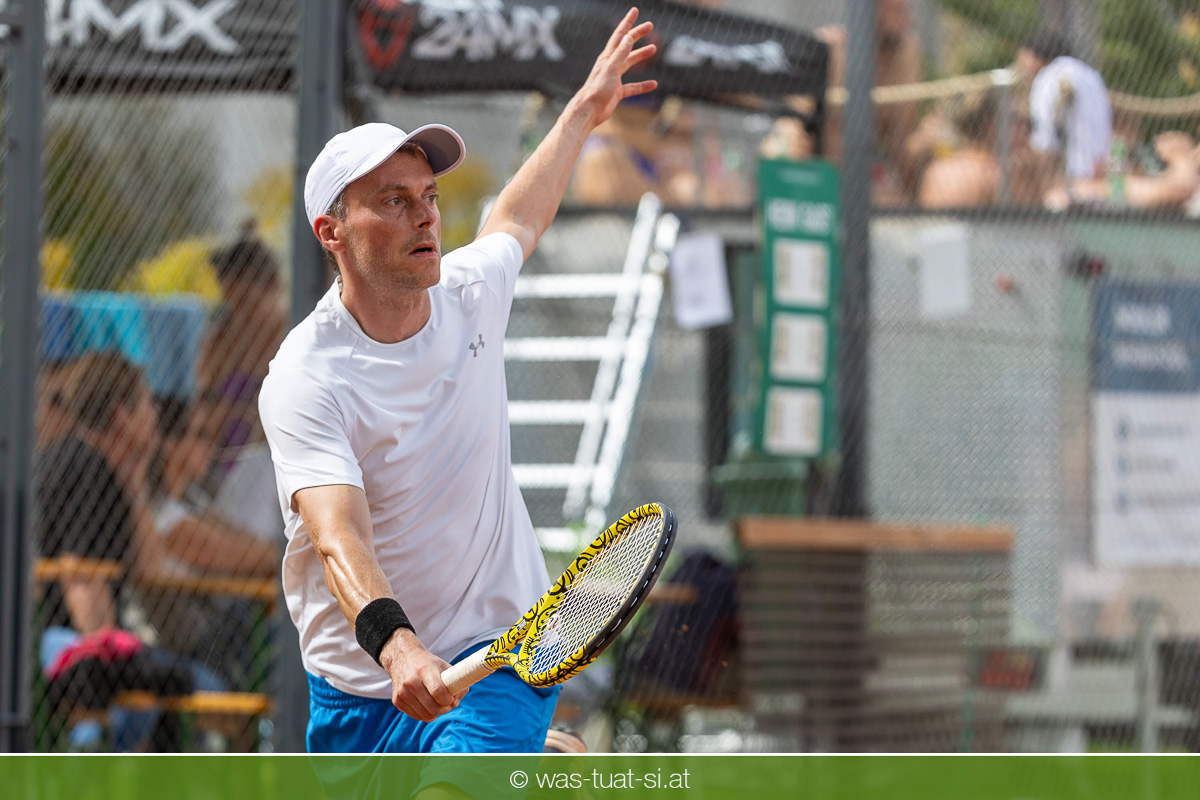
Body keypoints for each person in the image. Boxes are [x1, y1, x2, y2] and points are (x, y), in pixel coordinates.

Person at [258, 8, 658, 760]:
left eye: (430, 197)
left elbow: (516, 217)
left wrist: (581, 113)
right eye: (394, 201)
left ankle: (512, 753)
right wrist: (398, 647)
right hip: (359, 686)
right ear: (331, 232)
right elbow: (339, 537)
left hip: (502, 648)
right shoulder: (306, 377)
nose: (425, 218)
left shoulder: (469, 293)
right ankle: (547, 762)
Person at [35, 350, 225, 750]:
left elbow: (149, 568)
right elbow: (81, 580)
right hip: (68, 644)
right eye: (146, 404)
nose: (154, 417)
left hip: (77, 639)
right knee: (208, 689)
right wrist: (107, 650)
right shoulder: (87, 469)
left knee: (178, 686)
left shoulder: (101, 468)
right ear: (122, 415)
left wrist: (134, 480)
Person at [1016, 31, 1112, 182]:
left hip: (1071, 176)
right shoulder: (1090, 74)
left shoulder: (1048, 78)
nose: (1021, 68)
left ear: (1033, 56)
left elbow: (1044, 143)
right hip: (1101, 170)